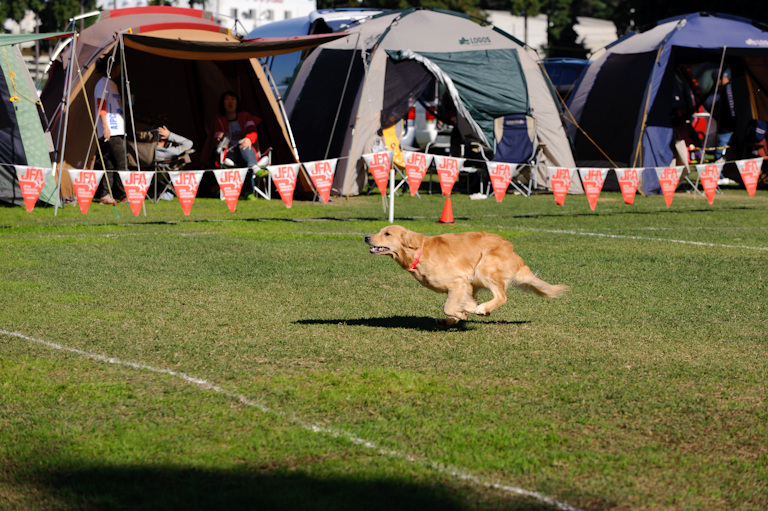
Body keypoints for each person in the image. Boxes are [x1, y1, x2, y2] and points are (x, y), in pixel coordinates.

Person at [209, 91, 268, 200]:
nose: (230, 102)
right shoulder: (219, 120)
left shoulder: (245, 116)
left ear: (237, 102)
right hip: (230, 153)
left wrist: (249, 138)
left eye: (233, 99)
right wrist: (220, 138)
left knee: (244, 147)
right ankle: (254, 173)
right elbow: (216, 138)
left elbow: (253, 131)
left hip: (246, 152)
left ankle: (249, 193)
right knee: (243, 144)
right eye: (227, 99)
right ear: (223, 103)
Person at [93, 51, 126, 205]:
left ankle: (106, 194)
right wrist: (105, 127)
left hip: (116, 129)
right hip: (111, 131)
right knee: (121, 162)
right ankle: (124, 194)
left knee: (111, 164)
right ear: (113, 67)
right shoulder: (103, 84)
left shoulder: (111, 84)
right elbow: (101, 105)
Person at [704, 69, 735, 167]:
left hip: (728, 127)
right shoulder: (728, 88)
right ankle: (720, 174)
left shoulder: (728, 88)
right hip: (729, 126)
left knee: (721, 152)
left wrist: (732, 122)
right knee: (724, 151)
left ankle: (719, 174)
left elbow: (731, 107)